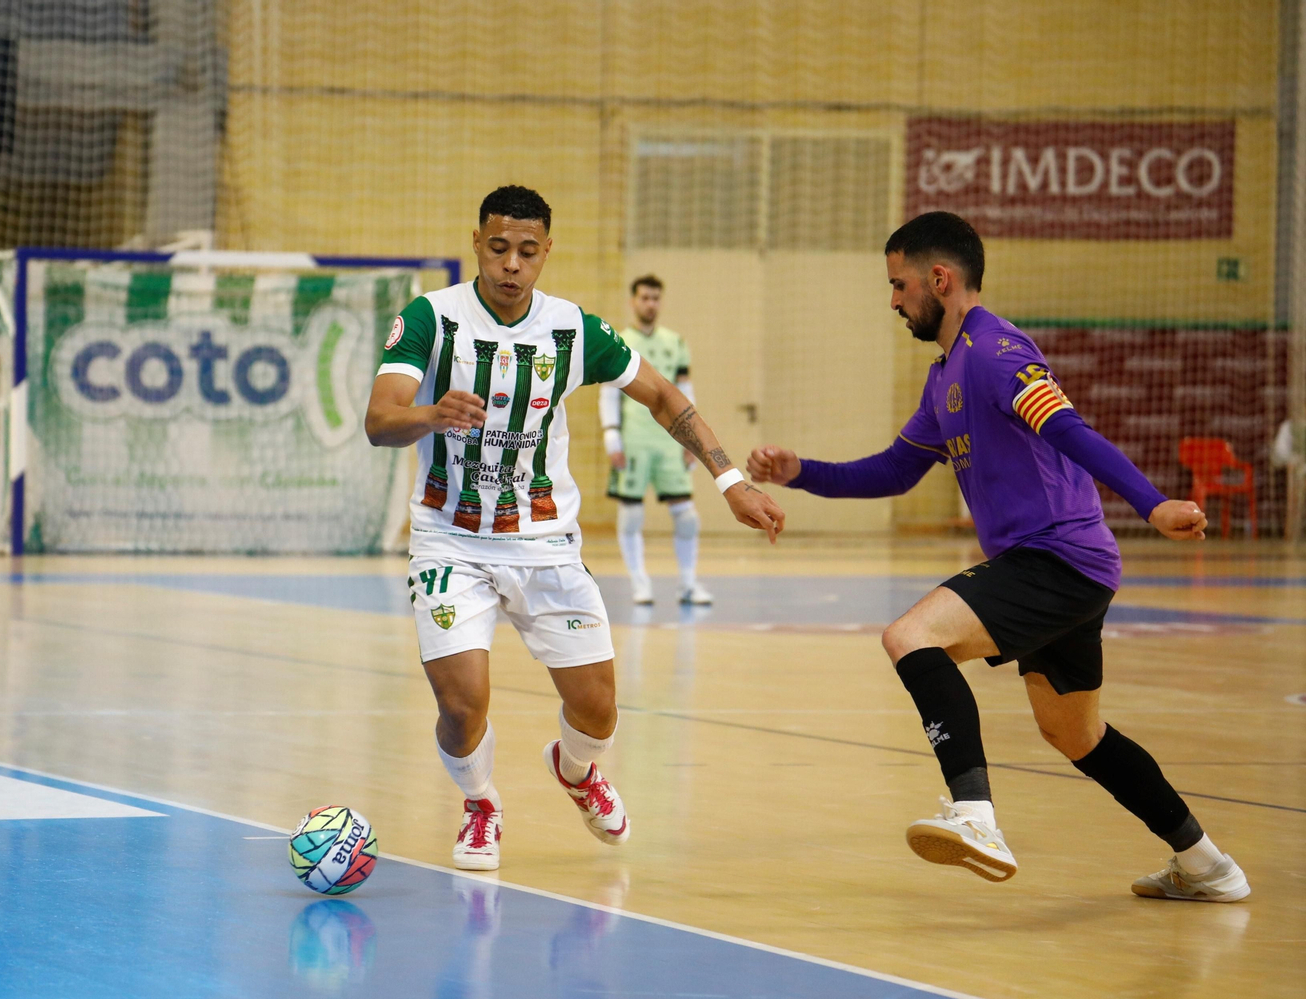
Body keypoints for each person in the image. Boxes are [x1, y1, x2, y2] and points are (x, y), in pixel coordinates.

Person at [747, 210, 1249, 902]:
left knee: (909, 637)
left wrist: (1152, 503)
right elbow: (894, 473)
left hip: (1056, 558)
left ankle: (975, 816)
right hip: (1065, 568)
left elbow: (1071, 429)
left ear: (940, 278)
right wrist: (800, 470)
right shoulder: (944, 374)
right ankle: (1207, 865)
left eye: (900, 285)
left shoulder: (997, 351)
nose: (894, 300)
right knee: (1076, 734)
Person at [365, 185, 786, 871]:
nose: (511, 264)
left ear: (546, 253)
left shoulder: (573, 330)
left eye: (527, 252)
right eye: (498, 248)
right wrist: (431, 414)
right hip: (451, 541)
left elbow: (664, 396)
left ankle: (576, 769)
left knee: (598, 710)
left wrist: (730, 479)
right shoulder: (430, 319)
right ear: (476, 243)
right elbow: (379, 420)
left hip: (545, 543)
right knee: (463, 703)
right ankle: (480, 805)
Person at [600, 275, 711, 605]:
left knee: (687, 516)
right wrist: (611, 438)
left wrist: (693, 441)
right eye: (645, 298)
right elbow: (608, 393)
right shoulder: (619, 341)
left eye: (655, 298)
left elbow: (685, 392)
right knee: (632, 514)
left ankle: (689, 584)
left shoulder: (675, 342)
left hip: (670, 442)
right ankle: (639, 584)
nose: (650, 304)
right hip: (634, 441)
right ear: (633, 301)